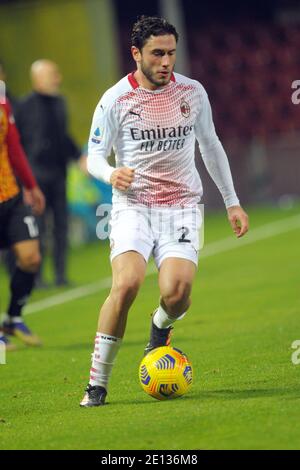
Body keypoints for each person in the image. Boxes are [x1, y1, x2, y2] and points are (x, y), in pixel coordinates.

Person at [80, 16, 249, 407]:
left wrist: (231, 200)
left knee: (177, 293)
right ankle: (97, 383)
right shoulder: (115, 99)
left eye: (171, 53)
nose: (166, 61)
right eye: (157, 53)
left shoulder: (193, 92)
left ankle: (159, 329)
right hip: (133, 207)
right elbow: (93, 155)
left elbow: (211, 145)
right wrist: (110, 173)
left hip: (182, 207)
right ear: (136, 53)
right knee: (127, 285)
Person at [15, 60, 82, 287]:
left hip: (58, 173)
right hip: (36, 175)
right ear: (38, 78)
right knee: (38, 226)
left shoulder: (59, 103)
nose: (57, 78)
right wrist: (22, 178)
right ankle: (38, 276)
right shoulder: (25, 106)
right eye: (53, 74)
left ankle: (61, 275)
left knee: (61, 225)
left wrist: (78, 155)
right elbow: (18, 142)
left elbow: (63, 135)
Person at [0, 97, 45, 350]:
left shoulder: (3, 103)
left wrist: (31, 185)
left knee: (31, 258)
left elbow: (14, 147)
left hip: (11, 195)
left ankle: (13, 318)